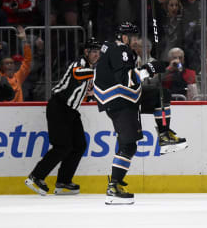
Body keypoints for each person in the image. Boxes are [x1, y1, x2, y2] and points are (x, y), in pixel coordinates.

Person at [93, 22, 187, 205]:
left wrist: (161, 66)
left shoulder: (115, 50)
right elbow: (127, 79)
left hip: (126, 97)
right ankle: (114, 186)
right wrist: (151, 68)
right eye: (133, 37)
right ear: (124, 37)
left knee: (161, 96)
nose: (136, 41)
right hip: (120, 100)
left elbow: (127, 78)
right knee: (128, 146)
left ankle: (165, 134)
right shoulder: (120, 49)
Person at [24, 38, 101, 195]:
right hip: (59, 107)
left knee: (79, 145)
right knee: (62, 147)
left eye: (98, 52)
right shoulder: (78, 64)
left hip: (71, 110)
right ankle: (35, 177)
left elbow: (85, 89)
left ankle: (63, 181)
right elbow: (77, 74)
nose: (96, 55)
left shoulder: (91, 69)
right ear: (86, 52)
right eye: (93, 51)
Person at [0, 26, 32, 102]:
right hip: (4, 110)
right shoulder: (0, 76)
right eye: (7, 63)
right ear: (1, 66)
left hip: (19, 110)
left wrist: (24, 40)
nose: (10, 65)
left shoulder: (19, 76)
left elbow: (27, 61)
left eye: (11, 63)